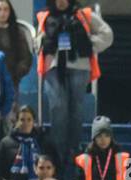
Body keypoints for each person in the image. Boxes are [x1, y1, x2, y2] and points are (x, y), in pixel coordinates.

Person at [35, 0, 112, 164]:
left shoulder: (85, 15)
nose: (61, 2)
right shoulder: (45, 16)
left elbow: (107, 35)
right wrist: (45, 42)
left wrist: (87, 44)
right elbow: (37, 42)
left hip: (79, 66)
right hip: (53, 67)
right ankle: (57, 154)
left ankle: (73, 152)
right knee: (58, 108)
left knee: (76, 109)